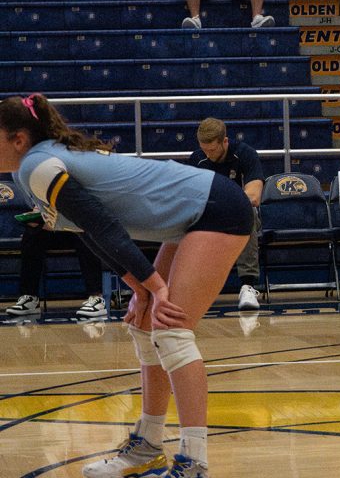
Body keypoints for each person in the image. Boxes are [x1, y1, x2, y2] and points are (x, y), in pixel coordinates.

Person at [0, 94, 253, 478]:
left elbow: (103, 226)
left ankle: (194, 463)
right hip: (192, 211)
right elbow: (88, 230)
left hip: (216, 208)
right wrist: (140, 286)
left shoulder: (37, 164)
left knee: (172, 331)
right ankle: (147, 447)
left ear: (18, 139)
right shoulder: (31, 168)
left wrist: (156, 287)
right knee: (144, 325)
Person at [187, 118, 264, 312]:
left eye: (212, 150)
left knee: (250, 213)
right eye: (204, 149)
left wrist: (223, 204)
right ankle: (188, 287)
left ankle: (248, 286)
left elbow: (254, 196)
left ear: (225, 142)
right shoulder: (197, 159)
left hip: (237, 215)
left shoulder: (245, 154)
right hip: (208, 217)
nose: (208, 154)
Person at [4, 222, 107, 320]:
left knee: (87, 235)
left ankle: (96, 297)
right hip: (52, 229)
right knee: (31, 235)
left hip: (77, 229)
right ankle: (30, 298)